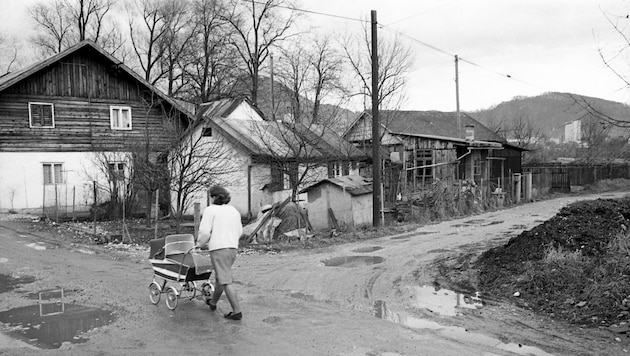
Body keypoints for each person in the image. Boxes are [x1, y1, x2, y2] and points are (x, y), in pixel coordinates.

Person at [196, 185, 243, 320]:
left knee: (225, 280)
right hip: (232, 248)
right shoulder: (234, 211)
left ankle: (236, 311)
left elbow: (205, 232)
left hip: (218, 249)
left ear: (214, 197)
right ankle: (213, 302)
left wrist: (199, 244)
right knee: (220, 278)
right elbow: (239, 231)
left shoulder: (211, 210)